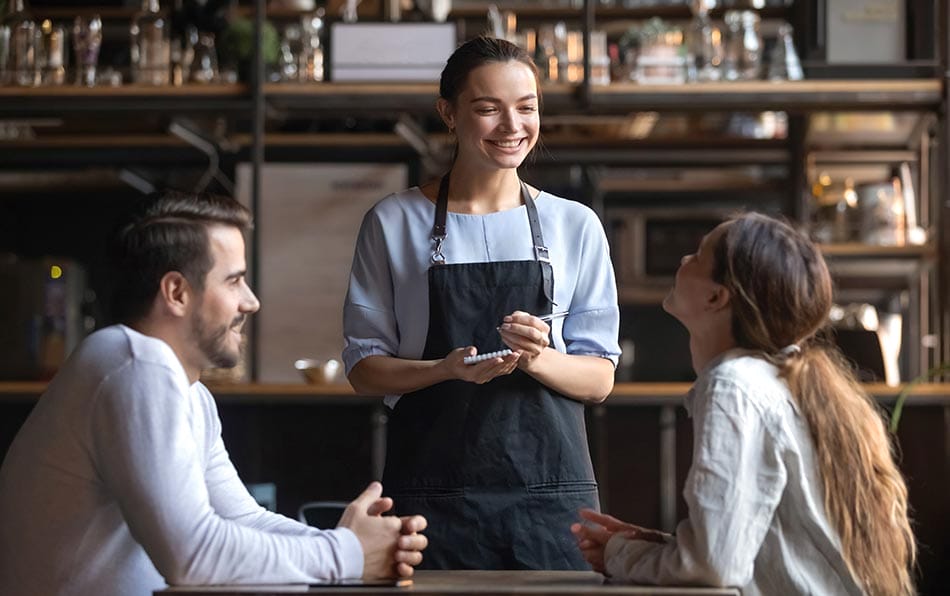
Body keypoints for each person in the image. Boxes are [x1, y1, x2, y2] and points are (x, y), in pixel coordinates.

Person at [0, 192, 427, 596]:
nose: (251, 301)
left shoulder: (188, 391)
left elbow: (241, 518)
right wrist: (347, 555)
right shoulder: (134, 363)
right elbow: (193, 555)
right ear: (177, 292)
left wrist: (353, 544)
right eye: (234, 281)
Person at [342, 36, 621, 570]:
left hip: (550, 498)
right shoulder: (394, 221)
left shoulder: (575, 225)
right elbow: (364, 369)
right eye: (488, 109)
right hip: (431, 497)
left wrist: (540, 358)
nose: (512, 126)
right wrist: (444, 370)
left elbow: (600, 377)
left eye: (527, 108)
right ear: (448, 113)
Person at [571, 212, 916, 595]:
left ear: (717, 297)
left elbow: (713, 567)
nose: (684, 260)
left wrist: (620, 554)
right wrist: (658, 544)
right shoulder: (769, 379)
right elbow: (751, 548)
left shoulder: (732, 386)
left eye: (699, 256)